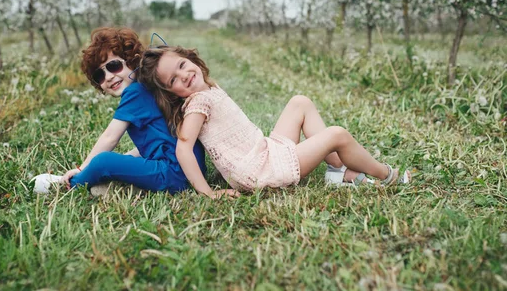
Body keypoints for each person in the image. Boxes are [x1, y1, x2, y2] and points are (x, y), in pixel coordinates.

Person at [137, 46, 410, 198]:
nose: (183, 76)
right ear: (170, 92)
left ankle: (337, 170)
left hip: (263, 150)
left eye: (182, 65)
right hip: (257, 170)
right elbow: (183, 149)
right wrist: (208, 192)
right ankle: (387, 176)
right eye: (173, 80)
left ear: (190, 59)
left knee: (299, 102)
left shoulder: (207, 90)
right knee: (337, 134)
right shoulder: (196, 104)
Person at [33, 28, 208, 195]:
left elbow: (110, 137)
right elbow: (154, 144)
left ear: (132, 61)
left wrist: (83, 167)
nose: (108, 77)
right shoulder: (148, 88)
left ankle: (69, 185)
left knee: (103, 161)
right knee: (117, 160)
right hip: (188, 170)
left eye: (114, 66)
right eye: (99, 76)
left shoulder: (135, 92)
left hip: (174, 174)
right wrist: (125, 161)